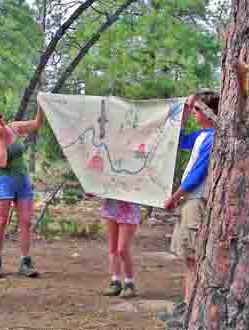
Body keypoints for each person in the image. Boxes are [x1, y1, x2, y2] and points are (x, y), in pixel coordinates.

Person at [158, 91, 219, 326]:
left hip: (195, 199)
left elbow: (197, 174)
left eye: (195, 110)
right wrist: (184, 109)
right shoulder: (201, 136)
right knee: (188, 257)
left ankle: (194, 310)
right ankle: (188, 305)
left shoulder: (213, 138)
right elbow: (178, 137)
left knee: (194, 255)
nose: (193, 114)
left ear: (206, 112)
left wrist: (175, 196)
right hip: (189, 200)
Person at [0, 105, 44, 278]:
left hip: (21, 179)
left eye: (0, 118)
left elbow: (37, 124)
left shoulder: (14, 127)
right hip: (4, 181)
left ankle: (25, 261)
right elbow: (0, 162)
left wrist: (41, 104)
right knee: (0, 221)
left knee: (25, 221)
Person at [100, 198, 144, 298]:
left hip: (130, 208)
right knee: (113, 248)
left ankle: (129, 283)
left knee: (122, 249)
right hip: (110, 207)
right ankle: (115, 282)